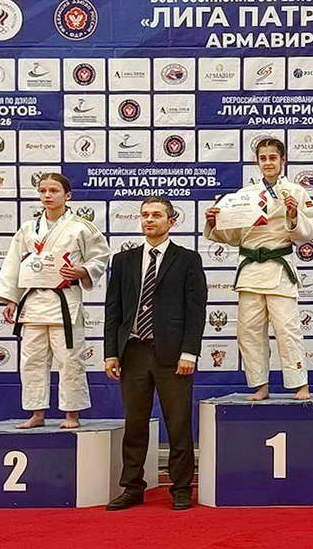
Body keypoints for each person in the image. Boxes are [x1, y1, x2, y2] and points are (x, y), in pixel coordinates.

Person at [104, 197, 206, 511]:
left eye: (157, 215)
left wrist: (190, 352)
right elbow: (113, 311)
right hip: (133, 352)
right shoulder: (124, 261)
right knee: (135, 424)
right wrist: (111, 353)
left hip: (173, 355)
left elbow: (196, 311)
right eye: (145, 215)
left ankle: (181, 488)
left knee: (178, 423)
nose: (149, 220)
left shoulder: (187, 259)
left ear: (171, 221)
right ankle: (132, 487)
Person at [0, 173, 110, 429]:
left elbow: (100, 256)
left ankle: (71, 414)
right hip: (32, 301)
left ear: (67, 195)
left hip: (64, 302)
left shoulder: (82, 227)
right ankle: (37, 413)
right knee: (31, 359)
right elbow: (13, 265)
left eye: (54, 190)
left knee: (70, 360)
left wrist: (82, 271)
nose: (47, 195)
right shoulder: (28, 229)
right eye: (43, 190)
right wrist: (11, 299)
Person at [204, 138, 313, 401]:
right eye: (263, 158)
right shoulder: (245, 196)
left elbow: (309, 232)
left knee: (287, 329)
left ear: (283, 160)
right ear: (257, 162)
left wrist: (293, 216)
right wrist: (214, 222)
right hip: (251, 271)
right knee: (249, 331)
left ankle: (300, 384)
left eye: (273, 157)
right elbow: (234, 236)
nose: (268, 162)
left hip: (279, 269)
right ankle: (260, 385)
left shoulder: (296, 192)